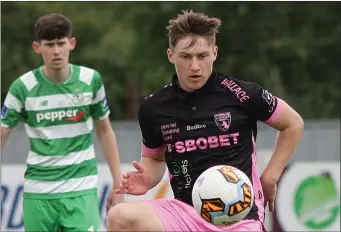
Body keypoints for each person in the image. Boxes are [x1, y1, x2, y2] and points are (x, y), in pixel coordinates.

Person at [107, 10, 304, 232]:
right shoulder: (153, 107)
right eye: (185, 56)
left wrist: (271, 174)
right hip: (185, 214)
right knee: (119, 217)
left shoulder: (242, 94)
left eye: (202, 56)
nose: (194, 66)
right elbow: (154, 159)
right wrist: (146, 179)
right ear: (171, 55)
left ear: (215, 53)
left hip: (240, 217)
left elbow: (293, 123)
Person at [1, 13, 124, 232]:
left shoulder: (90, 80)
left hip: (81, 187)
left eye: (61, 43)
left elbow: (104, 131)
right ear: (37, 47)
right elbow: (2, 134)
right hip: (39, 191)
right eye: (49, 45)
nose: (56, 51)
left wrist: (118, 183)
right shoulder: (21, 87)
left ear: (71, 44)